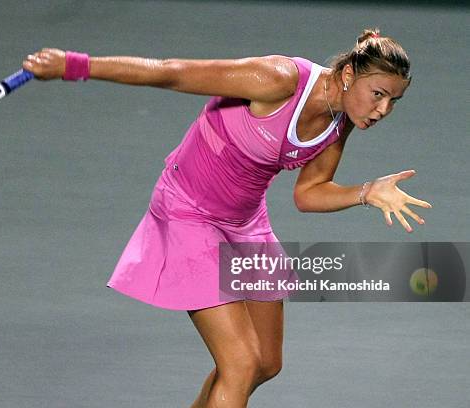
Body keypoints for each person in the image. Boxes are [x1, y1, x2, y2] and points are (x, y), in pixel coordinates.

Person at [23, 28, 431, 408]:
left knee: (267, 363)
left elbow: (309, 194)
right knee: (240, 363)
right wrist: (74, 66)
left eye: (393, 101)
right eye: (378, 94)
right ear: (347, 74)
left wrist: (365, 192)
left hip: (244, 221)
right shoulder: (277, 79)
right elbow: (172, 73)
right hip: (188, 213)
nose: (382, 110)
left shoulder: (341, 121)